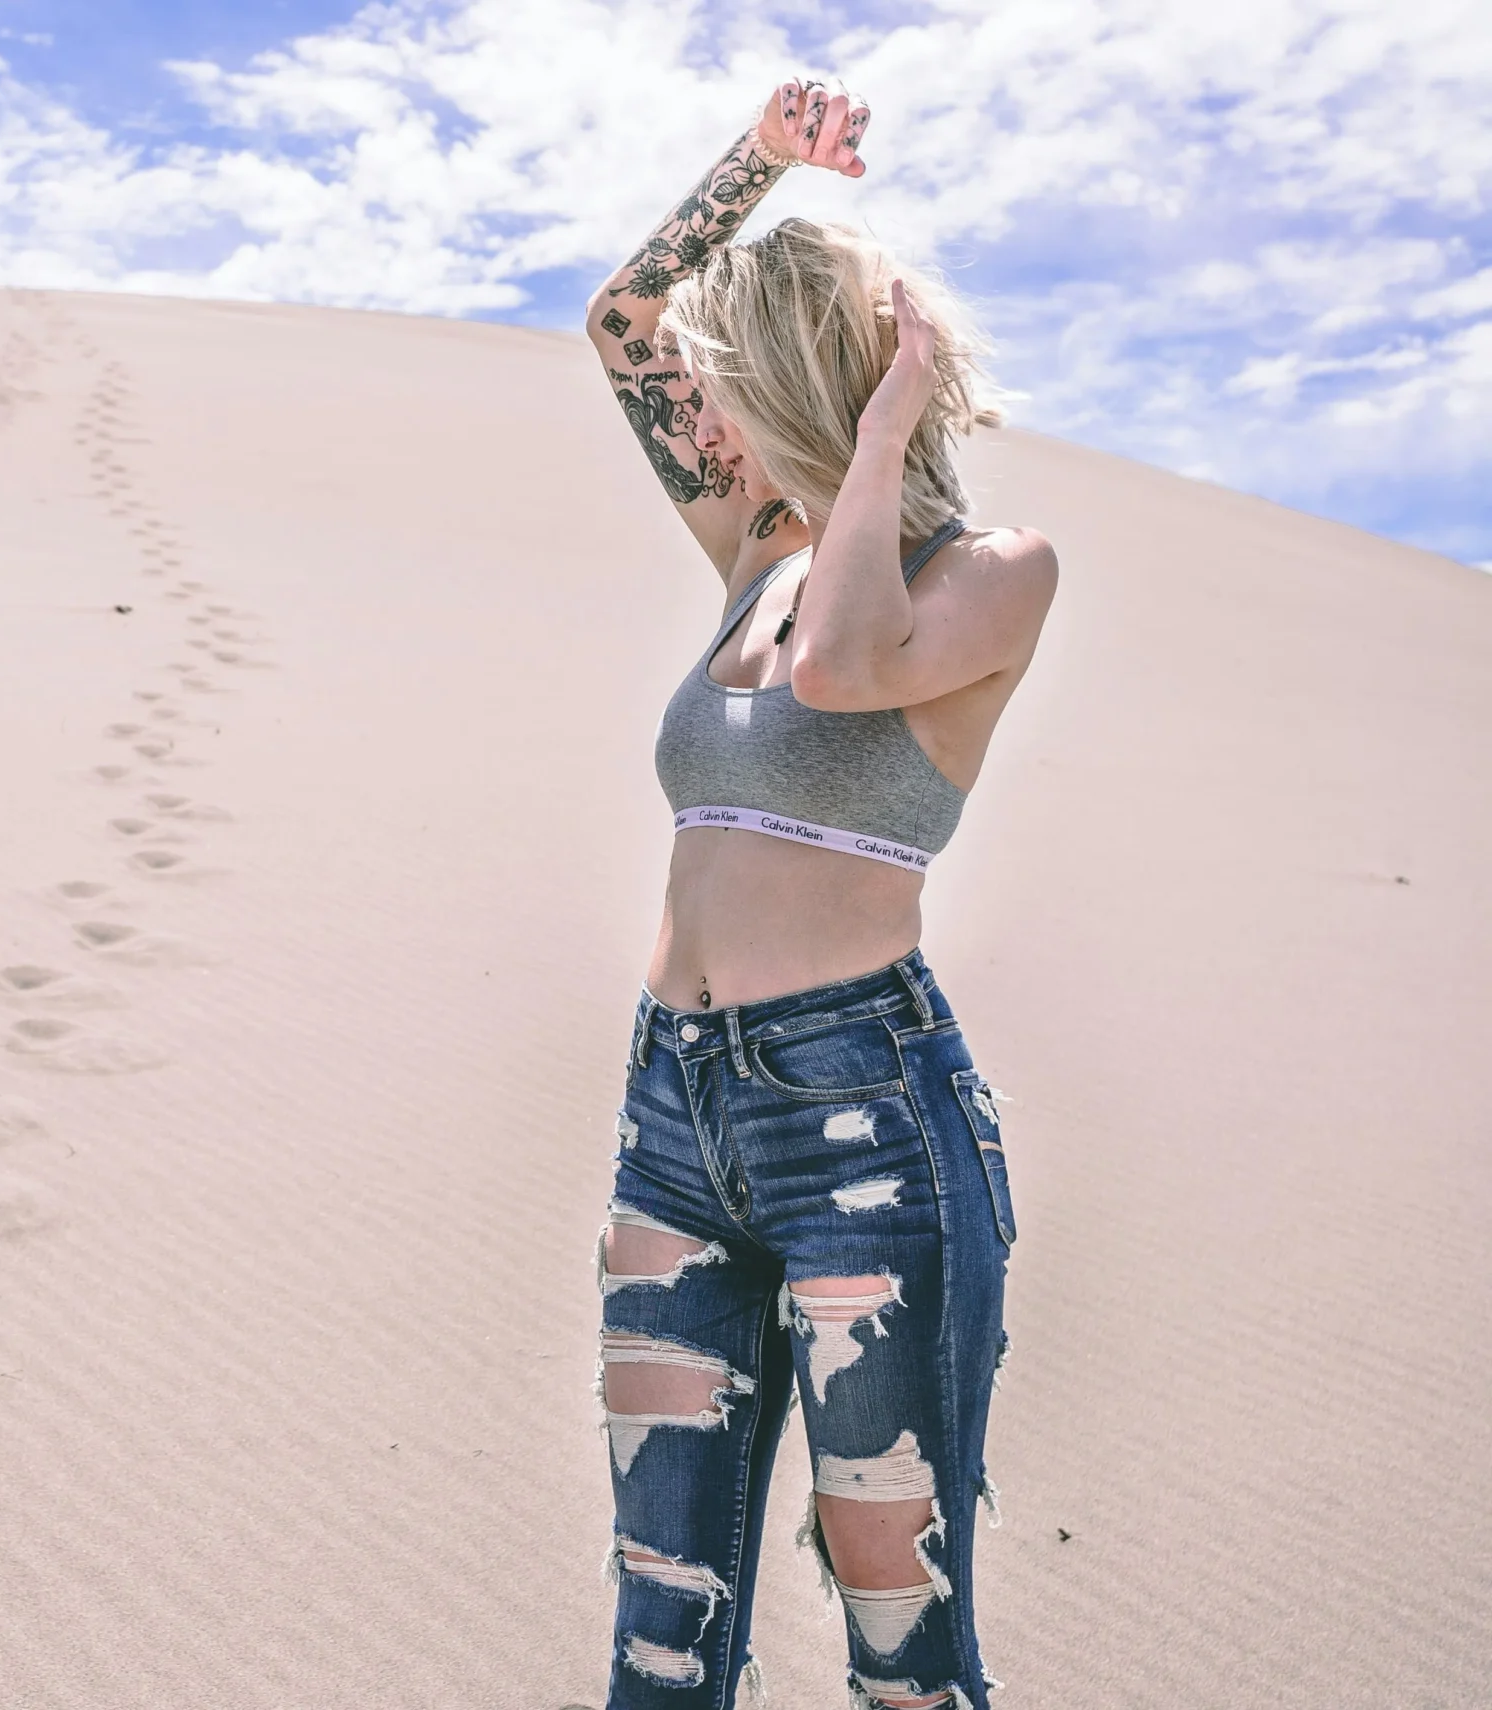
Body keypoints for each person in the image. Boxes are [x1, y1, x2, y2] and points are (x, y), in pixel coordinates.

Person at [581, 77, 1057, 1710]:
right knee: (662, 1625)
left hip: (867, 1129)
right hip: (676, 1113)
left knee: (899, 1644)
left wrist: (878, 429)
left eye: (730, 388)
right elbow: (622, 317)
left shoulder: (986, 574)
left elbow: (852, 667)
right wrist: (760, 169)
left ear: (808, 392)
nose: (697, 422)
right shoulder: (754, 552)